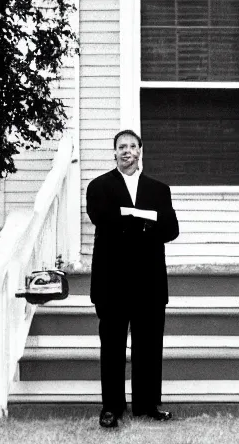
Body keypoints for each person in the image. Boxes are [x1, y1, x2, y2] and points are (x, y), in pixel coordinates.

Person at [86, 129, 179, 428]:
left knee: (149, 345)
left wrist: (136, 221)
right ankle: (111, 407)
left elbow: (171, 229)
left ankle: (147, 404)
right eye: (120, 147)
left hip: (149, 281)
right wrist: (145, 222)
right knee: (112, 346)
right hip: (112, 280)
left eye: (132, 146)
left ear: (141, 151)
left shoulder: (159, 189)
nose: (126, 151)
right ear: (114, 153)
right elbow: (103, 218)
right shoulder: (98, 186)